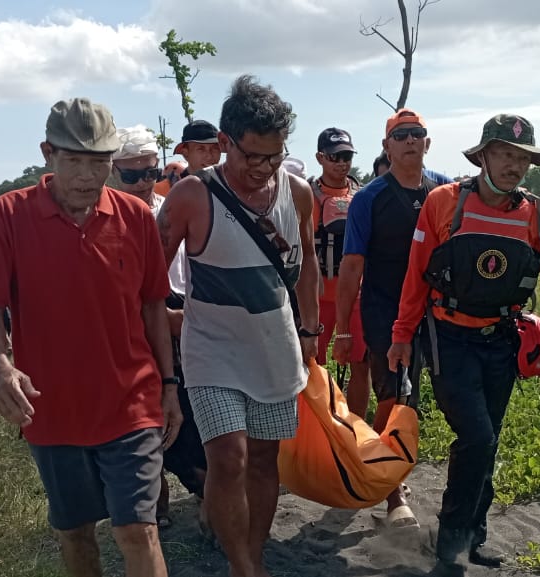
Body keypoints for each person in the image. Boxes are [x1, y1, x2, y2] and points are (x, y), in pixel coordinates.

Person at [0, 97, 182, 577]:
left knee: (137, 530)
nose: (88, 176)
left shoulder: (134, 217)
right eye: (75, 161)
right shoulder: (8, 216)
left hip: (131, 401)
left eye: (100, 162)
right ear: (48, 154)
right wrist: (0, 368)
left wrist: (169, 386)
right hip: (52, 408)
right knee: (75, 532)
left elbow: (153, 307)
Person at [388, 114, 540, 573]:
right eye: (506, 155)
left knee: (486, 443)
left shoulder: (538, 214)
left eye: (523, 159)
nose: (515, 166)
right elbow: (416, 275)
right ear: (483, 156)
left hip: (501, 339)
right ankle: (450, 546)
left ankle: (471, 537)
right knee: (476, 435)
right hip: (449, 336)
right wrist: (400, 335)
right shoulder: (442, 203)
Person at [157, 75, 319, 577]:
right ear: (225, 144)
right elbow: (146, 277)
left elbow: (309, 259)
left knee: (265, 461)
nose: (262, 168)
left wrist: (311, 329)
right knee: (228, 458)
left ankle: (253, 554)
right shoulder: (191, 196)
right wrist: (163, 319)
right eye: (251, 156)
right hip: (212, 353)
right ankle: (243, 567)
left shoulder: (298, 194)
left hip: (276, 348)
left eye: (273, 156)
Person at [334, 108, 454, 529]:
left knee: (424, 399)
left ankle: (395, 467)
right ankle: (392, 492)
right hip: (384, 308)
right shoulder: (369, 198)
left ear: (427, 142)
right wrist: (344, 328)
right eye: (399, 135)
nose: (408, 140)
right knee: (393, 396)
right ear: (387, 146)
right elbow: (351, 266)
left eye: (415, 133)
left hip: (436, 312)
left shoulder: (446, 190)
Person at [111, 123, 207, 530]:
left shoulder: (170, 208)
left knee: (188, 405)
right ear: (114, 172)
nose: (143, 183)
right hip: (132, 322)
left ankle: (200, 489)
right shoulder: (105, 219)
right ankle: (158, 494)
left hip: (180, 311)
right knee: (143, 408)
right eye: (132, 175)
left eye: (151, 173)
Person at [309, 128, 373, 421]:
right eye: (335, 156)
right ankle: (319, 425)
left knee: (362, 362)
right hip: (319, 297)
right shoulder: (306, 196)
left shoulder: (363, 196)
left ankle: (357, 429)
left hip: (356, 295)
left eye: (347, 156)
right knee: (312, 363)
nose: (341, 162)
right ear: (320, 157)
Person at [152, 120, 222, 197]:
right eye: (201, 149)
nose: (209, 156)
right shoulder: (162, 191)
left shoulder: (231, 186)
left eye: (215, 149)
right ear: (185, 153)